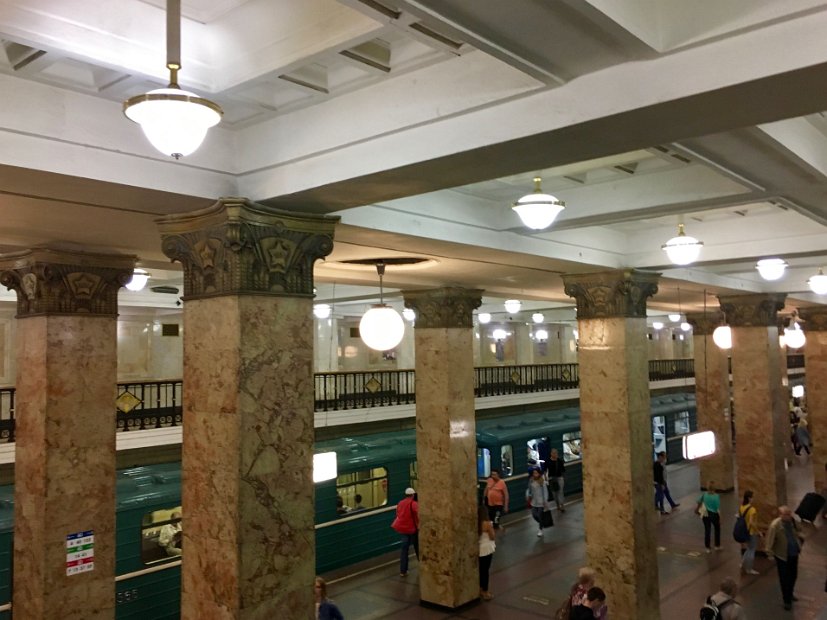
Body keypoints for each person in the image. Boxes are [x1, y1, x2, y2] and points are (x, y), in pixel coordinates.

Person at [765, 505, 804, 610]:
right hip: (782, 556)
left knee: (793, 575)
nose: (788, 516)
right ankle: (786, 600)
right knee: (784, 579)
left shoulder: (792, 522)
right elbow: (769, 540)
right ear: (780, 515)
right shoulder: (775, 525)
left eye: (789, 514)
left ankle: (790, 593)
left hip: (794, 554)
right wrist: (769, 553)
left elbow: (800, 529)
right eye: (786, 514)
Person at [392, 487, 419, 577]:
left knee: (404, 550)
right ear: (413, 495)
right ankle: (422, 566)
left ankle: (403, 571)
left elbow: (398, 514)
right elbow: (418, 515)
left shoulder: (400, 503)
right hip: (412, 530)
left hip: (403, 530)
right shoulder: (414, 504)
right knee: (418, 549)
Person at [739, 490, 761, 575]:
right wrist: (758, 531)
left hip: (744, 531)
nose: (753, 499)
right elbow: (752, 522)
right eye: (752, 497)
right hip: (751, 532)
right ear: (749, 498)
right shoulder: (752, 509)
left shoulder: (742, 507)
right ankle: (749, 568)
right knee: (752, 550)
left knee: (748, 549)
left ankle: (743, 564)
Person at [477, 504, 496, 601]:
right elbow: (492, 536)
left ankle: (479, 589)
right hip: (487, 549)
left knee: (481, 570)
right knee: (486, 571)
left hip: (479, 549)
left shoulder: (476, 523)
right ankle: (485, 591)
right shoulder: (487, 524)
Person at [696, 481, 721, 552]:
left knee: (707, 530)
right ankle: (717, 545)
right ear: (714, 488)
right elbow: (717, 508)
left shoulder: (704, 495)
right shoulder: (716, 496)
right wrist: (720, 517)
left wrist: (697, 509)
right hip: (714, 514)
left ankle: (707, 548)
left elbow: (699, 501)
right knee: (717, 529)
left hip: (705, 514)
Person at [525, 467, 551, 537]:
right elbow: (529, 489)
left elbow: (545, 492)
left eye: (536, 473)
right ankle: (542, 523)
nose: (535, 474)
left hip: (541, 502)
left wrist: (545, 501)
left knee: (540, 515)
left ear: (539, 473)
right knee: (534, 515)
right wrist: (528, 496)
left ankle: (540, 529)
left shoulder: (542, 482)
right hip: (534, 501)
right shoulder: (531, 481)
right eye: (534, 473)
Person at [547, 448, 566, 512]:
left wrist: (562, 477)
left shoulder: (559, 461)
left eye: (556, 453)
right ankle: (557, 504)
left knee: (560, 492)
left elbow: (563, 470)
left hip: (559, 478)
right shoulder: (548, 461)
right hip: (552, 479)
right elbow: (545, 471)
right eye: (554, 453)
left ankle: (562, 505)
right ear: (551, 454)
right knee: (554, 493)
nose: (555, 454)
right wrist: (547, 478)